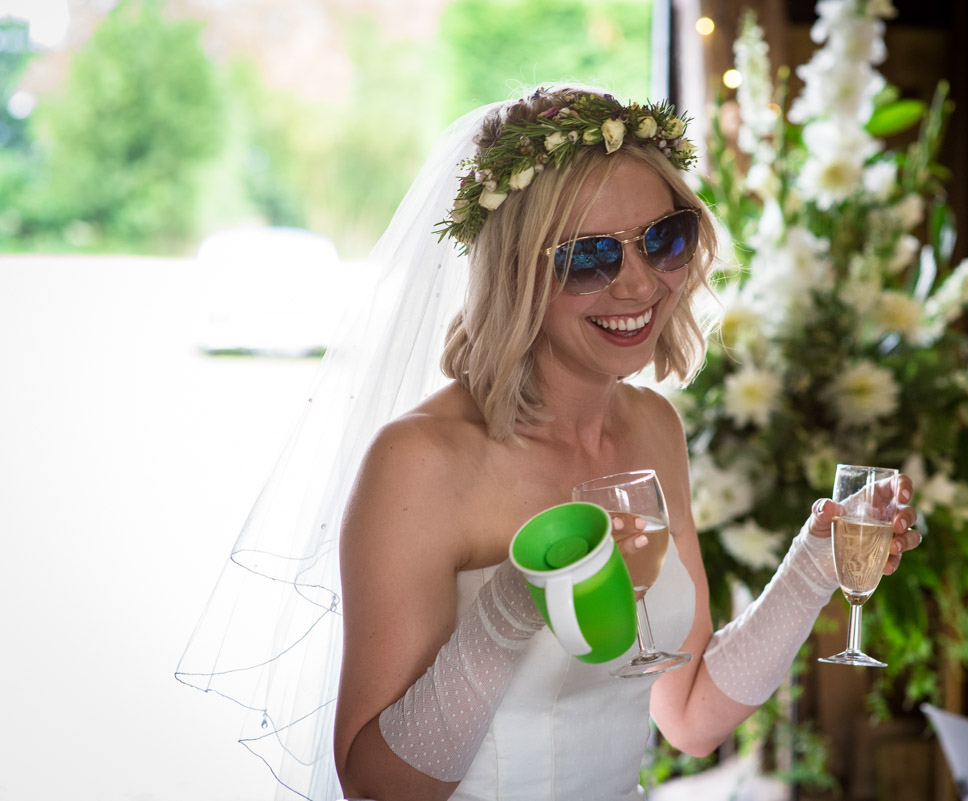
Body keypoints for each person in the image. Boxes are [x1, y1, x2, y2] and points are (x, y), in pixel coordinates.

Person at [329, 85, 920, 801]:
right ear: (514, 272)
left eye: (664, 239)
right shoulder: (420, 462)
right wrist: (511, 606)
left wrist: (814, 564)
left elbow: (690, 715)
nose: (639, 284)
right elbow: (374, 784)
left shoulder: (653, 428)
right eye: (590, 257)